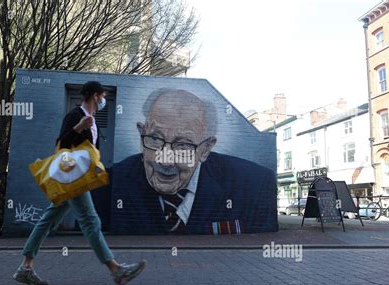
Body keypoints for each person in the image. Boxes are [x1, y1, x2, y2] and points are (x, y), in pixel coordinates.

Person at [13, 81, 146, 285]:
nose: (102, 100)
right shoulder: (75, 115)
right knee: (90, 220)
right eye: (102, 96)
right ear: (95, 95)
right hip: (71, 176)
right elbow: (61, 144)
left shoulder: (94, 122)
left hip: (78, 176)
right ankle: (117, 270)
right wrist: (78, 127)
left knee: (49, 219)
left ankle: (25, 267)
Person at [111, 89, 278, 234]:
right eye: (155, 138)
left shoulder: (254, 186)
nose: (165, 161)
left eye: (183, 145)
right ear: (142, 135)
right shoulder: (111, 183)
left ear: (205, 150)